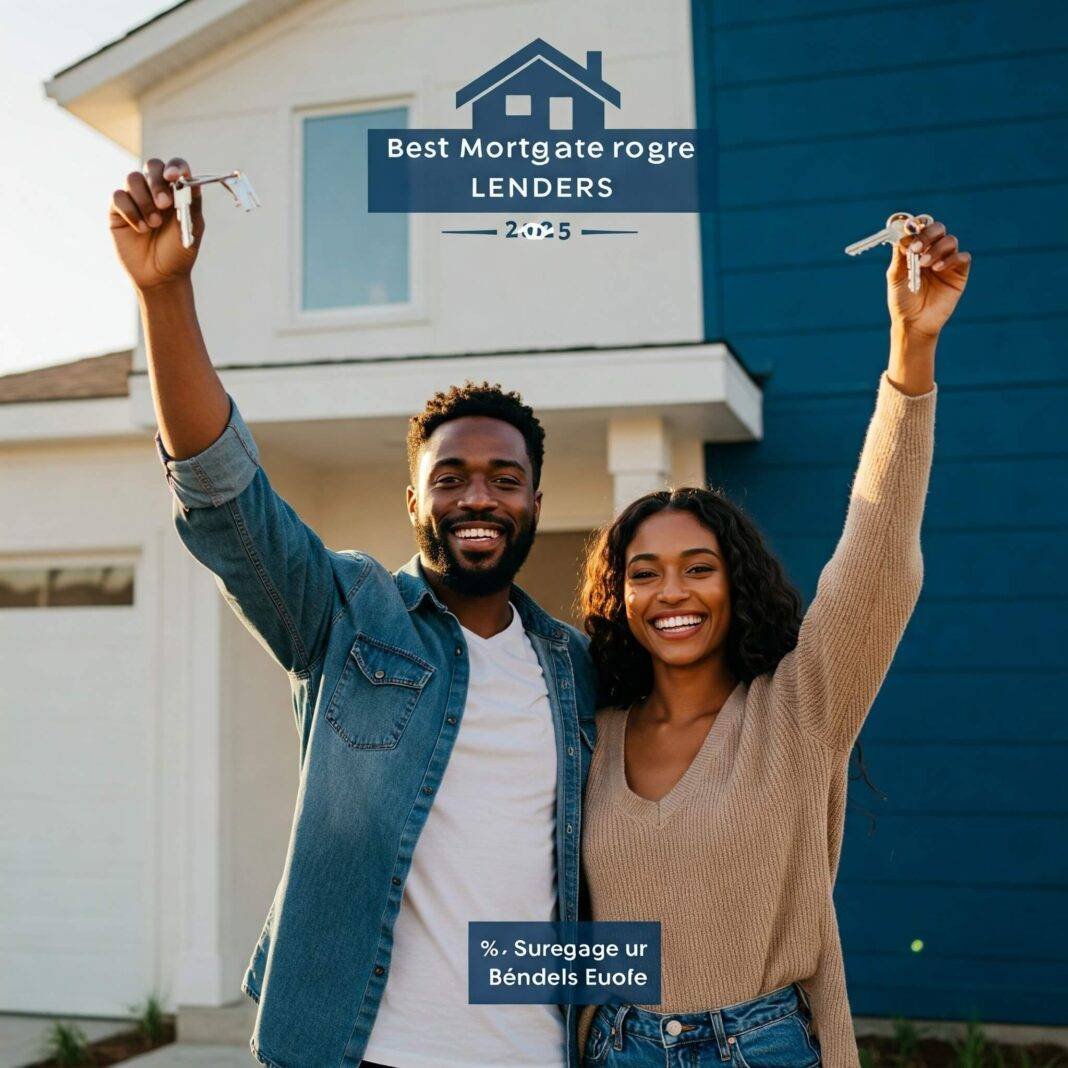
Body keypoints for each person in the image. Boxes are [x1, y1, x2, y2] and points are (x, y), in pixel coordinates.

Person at [109, 157, 597, 1068]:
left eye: (505, 478)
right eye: (448, 479)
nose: (476, 498)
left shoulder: (577, 669)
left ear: (535, 500)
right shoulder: (349, 614)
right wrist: (166, 295)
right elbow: (225, 500)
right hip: (356, 1050)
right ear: (415, 502)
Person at [577, 220, 970, 1067]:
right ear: (618, 598)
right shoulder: (591, 732)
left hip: (760, 1046)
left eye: (698, 568)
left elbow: (878, 552)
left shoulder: (799, 709)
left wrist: (910, 353)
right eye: (643, 573)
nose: (671, 592)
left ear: (736, 583)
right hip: (615, 1045)